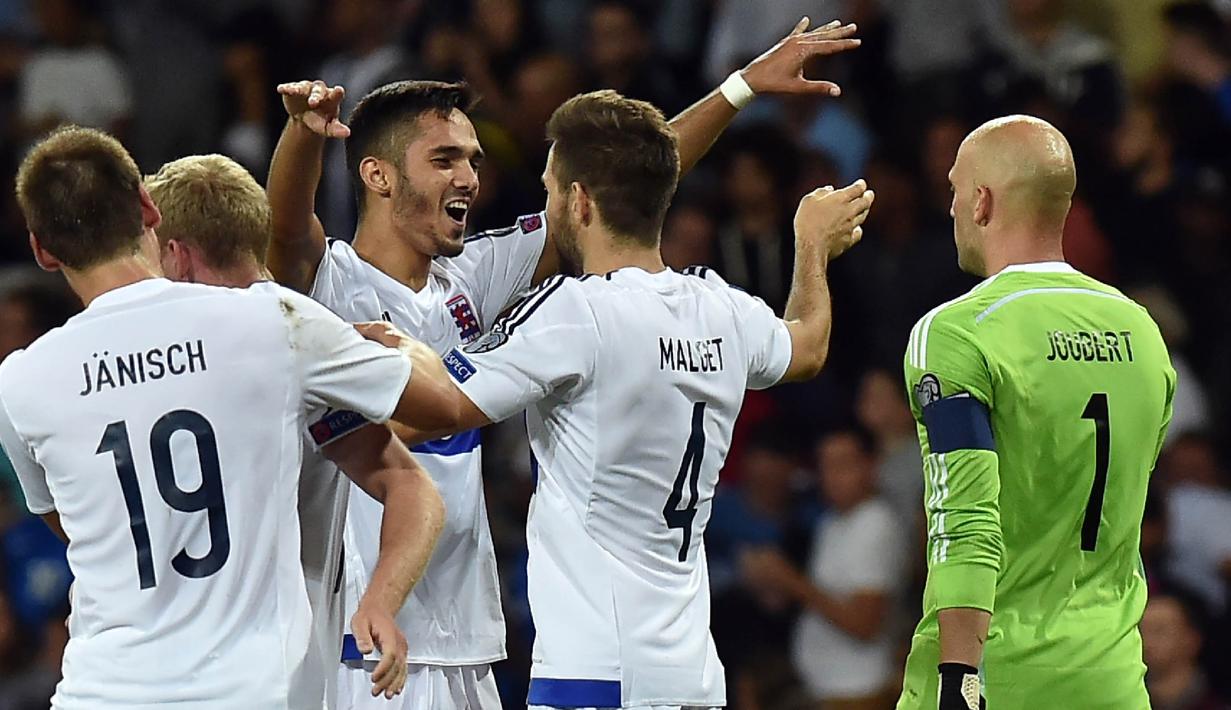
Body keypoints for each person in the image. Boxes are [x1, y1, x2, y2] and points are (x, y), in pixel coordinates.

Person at [265, 18, 862, 708]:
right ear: (377, 175)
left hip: (470, 634)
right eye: (445, 160)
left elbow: (620, 183)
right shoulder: (331, 281)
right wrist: (303, 135)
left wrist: (736, 89)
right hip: (361, 634)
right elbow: (285, 229)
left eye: (473, 159)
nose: (468, 176)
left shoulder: (479, 277)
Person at [0, 126, 458, 708]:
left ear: (41, 249)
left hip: (98, 691)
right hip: (251, 689)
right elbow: (442, 408)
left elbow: (70, 525)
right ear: (147, 208)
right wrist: (388, 342)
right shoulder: (272, 326)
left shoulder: (19, 382)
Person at [143, 153, 446, 709]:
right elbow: (411, 483)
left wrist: (379, 601)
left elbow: (411, 476)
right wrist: (381, 601)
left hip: (237, 678)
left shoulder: (290, 338)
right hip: (219, 674)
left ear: (175, 254)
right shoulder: (297, 338)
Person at [895, 115, 1175, 710]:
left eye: (953, 191)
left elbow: (963, 520)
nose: (948, 210)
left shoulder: (957, 334)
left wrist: (959, 680)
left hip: (1001, 679)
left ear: (981, 202)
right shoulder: (1142, 332)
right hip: (1114, 681)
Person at [744, 428, 908, 710]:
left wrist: (790, 579)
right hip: (820, 687)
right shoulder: (830, 521)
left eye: (843, 465)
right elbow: (818, 596)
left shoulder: (877, 523)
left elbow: (864, 624)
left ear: (870, 465)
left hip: (857, 691)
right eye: (825, 466)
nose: (831, 476)